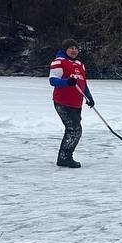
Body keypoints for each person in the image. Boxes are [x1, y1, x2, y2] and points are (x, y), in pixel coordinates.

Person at [49, 39, 94, 168]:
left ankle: (65, 156)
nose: (74, 50)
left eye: (76, 48)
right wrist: (67, 82)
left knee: (74, 129)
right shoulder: (59, 62)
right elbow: (53, 80)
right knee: (74, 130)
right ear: (65, 50)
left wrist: (89, 97)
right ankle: (64, 158)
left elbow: (83, 84)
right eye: (71, 48)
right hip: (62, 102)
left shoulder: (80, 64)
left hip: (76, 103)